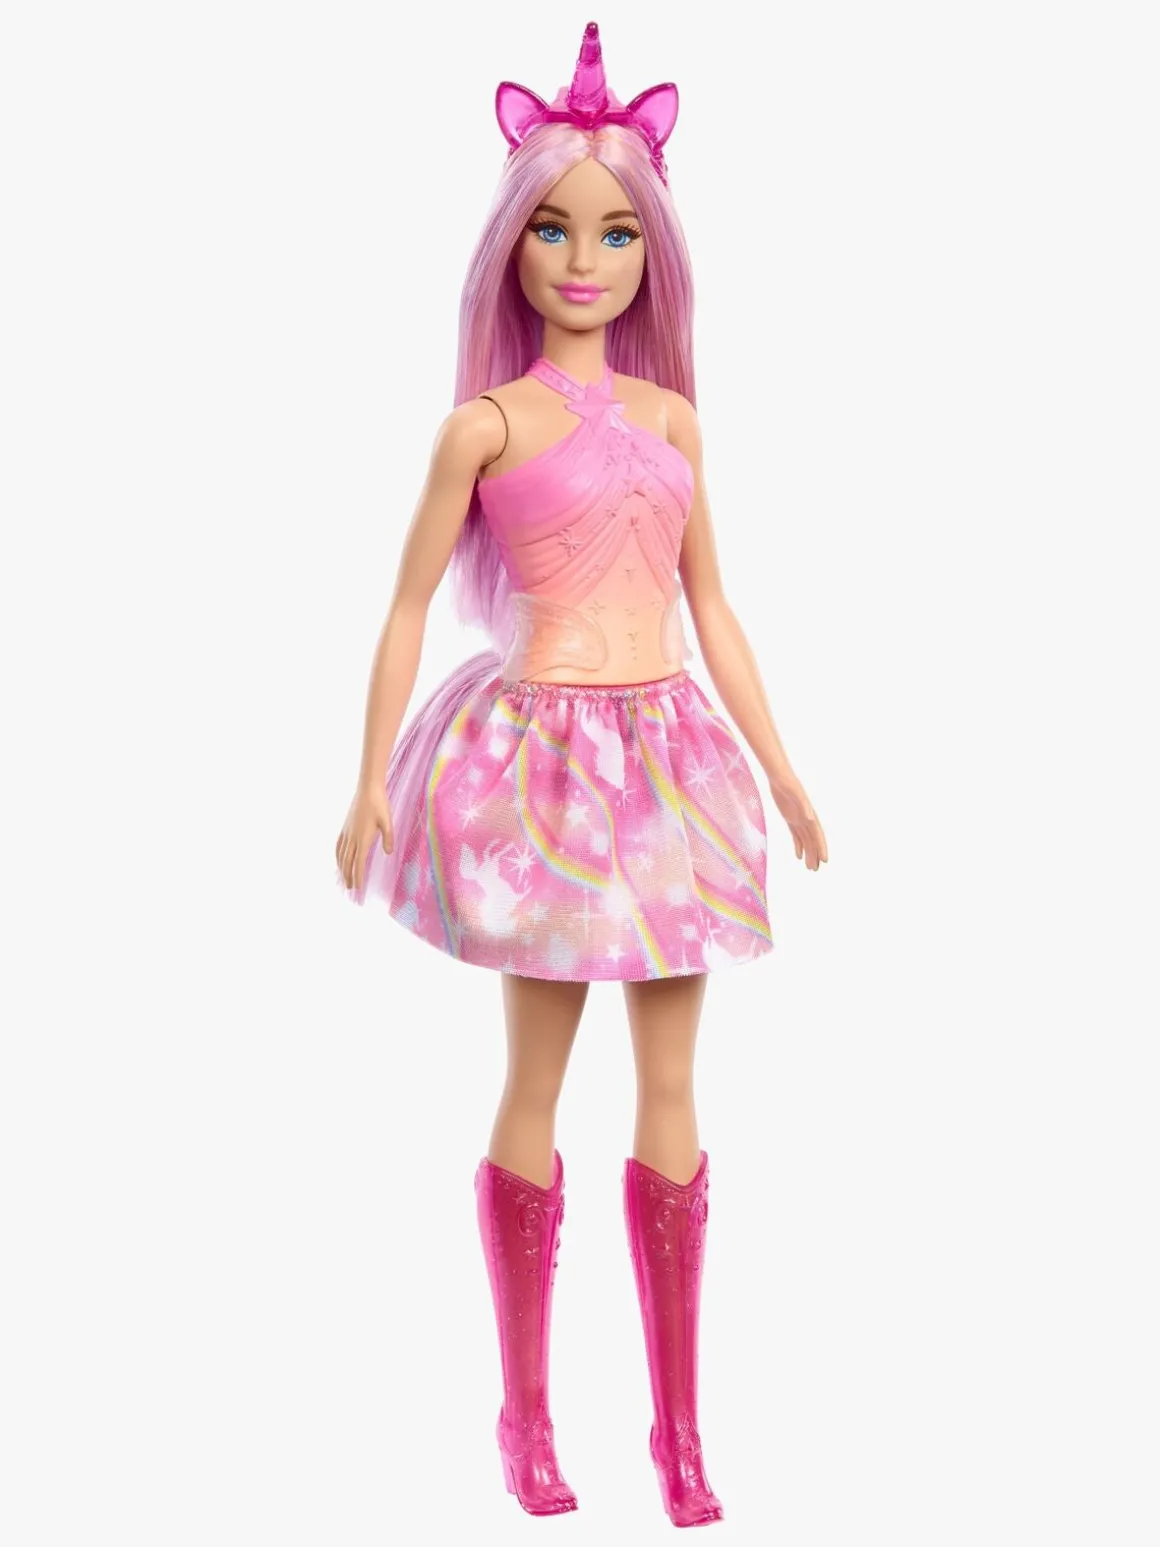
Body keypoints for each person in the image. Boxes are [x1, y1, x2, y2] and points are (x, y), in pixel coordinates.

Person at [334, 22, 828, 1527]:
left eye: (615, 233)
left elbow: (714, 606)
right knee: (535, 1080)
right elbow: (407, 603)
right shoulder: (482, 428)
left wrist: (783, 768)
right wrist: (367, 778)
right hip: (541, 773)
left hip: (669, 767)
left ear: (650, 254)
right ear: (512, 247)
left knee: (673, 1085)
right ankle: (527, 1417)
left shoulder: (675, 420)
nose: (583, 259)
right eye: (553, 229)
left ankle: (679, 1429)